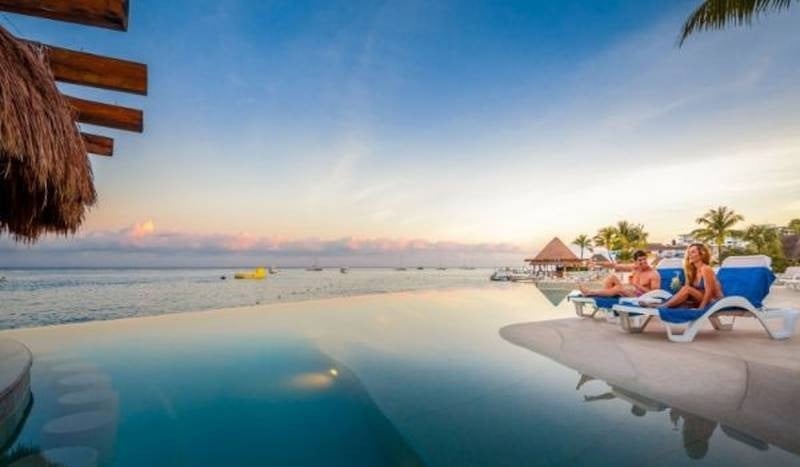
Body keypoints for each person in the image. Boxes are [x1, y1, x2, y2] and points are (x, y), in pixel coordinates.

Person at [661, 243, 722, 309]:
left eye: (693, 252)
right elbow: (687, 291)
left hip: (714, 302)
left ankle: (663, 306)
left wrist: (700, 309)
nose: (689, 255)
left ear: (702, 254)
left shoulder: (705, 268)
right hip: (700, 300)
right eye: (689, 252)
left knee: (687, 289)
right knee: (682, 299)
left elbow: (709, 292)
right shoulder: (693, 271)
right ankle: (664, 305)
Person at [579, 250, 660, 297]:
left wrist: (636, 285)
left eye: (644, 259)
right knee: (612, 277)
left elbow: (655, 294)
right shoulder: (635, 267)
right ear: (635, 262)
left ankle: (591, 292)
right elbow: (615, 265)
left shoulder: (653, 274)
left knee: (619, 289)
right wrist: (596, 263)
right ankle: (605, 300)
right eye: (640, 260)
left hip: (641, 297)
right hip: (630, 292)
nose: (643, 262)